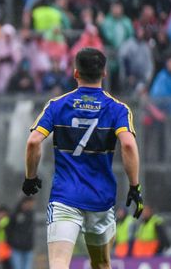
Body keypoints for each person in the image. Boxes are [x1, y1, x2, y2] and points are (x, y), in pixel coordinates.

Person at [23, 47, 144, 269]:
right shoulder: (118, 109)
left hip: (65, 198)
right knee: (101, 263)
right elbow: (128, 144)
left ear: (75, 73)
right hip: (101, 199)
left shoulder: (57, 105)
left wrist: (31, 177)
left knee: (59, 263)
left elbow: (33, 142)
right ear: (104, 73)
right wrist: (134, 186)